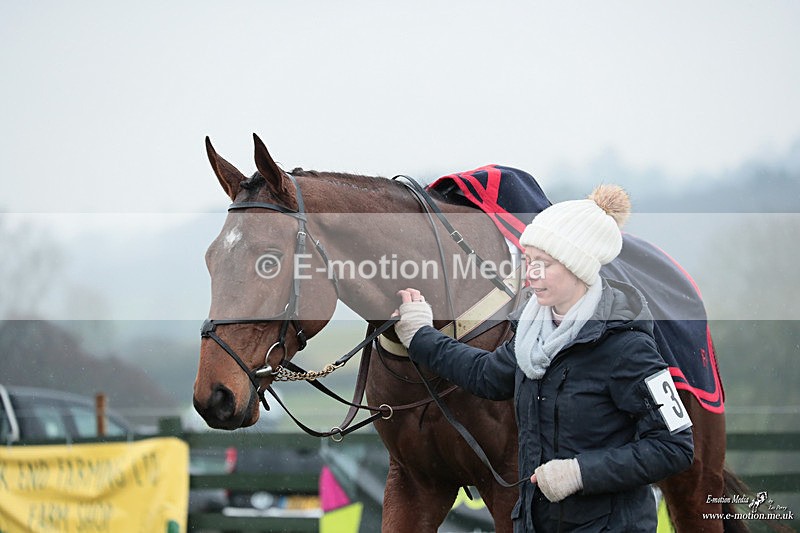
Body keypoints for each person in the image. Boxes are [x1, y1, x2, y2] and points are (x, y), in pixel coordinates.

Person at [394, 184, 694, 532]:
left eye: (544, 263)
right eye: (528, 260)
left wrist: (580, 473)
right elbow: (486, 375)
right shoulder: (531, 333)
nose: (530, 274)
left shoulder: (628, 348)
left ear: (577, 267)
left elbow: (674, 447)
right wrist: (420, 336)